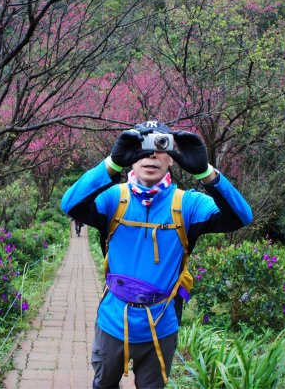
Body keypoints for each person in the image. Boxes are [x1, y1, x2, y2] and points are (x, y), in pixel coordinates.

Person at [61, 121, 253, 389]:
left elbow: (241, 216)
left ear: (173, 157)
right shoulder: (113, 198)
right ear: (130, 157)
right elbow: (69, 204)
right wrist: (112, 164)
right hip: (113, 320)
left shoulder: (188, 204)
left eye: (160, 146)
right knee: (103, 384)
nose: (151, 154)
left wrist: (205, 172)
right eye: (141, 146)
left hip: (161, 323)